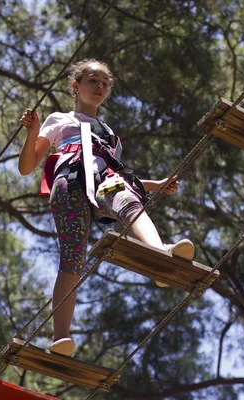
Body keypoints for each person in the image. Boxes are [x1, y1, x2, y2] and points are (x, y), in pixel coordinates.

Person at [18, 59, 194, 357]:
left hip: (106, 180)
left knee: (129, 201)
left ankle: (160, 254)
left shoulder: (111, 135)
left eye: (105, 83)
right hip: (70, 182)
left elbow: (111, 170)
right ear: (76, 86)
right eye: (92, 81)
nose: (100, 87)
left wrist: (156, 184)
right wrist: (32, 132)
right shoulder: (60, 120)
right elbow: (27, 167)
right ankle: (61, 338)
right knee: (73, 254)